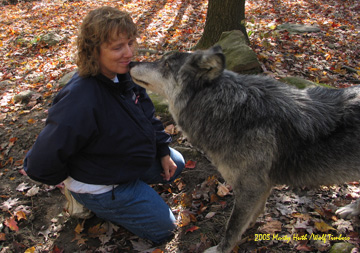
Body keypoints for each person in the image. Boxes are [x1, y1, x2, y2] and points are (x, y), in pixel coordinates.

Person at [24, 6, 185, 244]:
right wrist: (73, 180)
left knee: (176, 162)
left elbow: (148, 115)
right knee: (166, 229)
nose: (128, 53)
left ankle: (133, 191)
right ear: (93, 51)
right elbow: (38, 163)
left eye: (130, 43)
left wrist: (162, 151)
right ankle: (87, 199)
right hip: (102, 183)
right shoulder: (80, 99)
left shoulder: (126, 75)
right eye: (117, 47)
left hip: (122, 162)